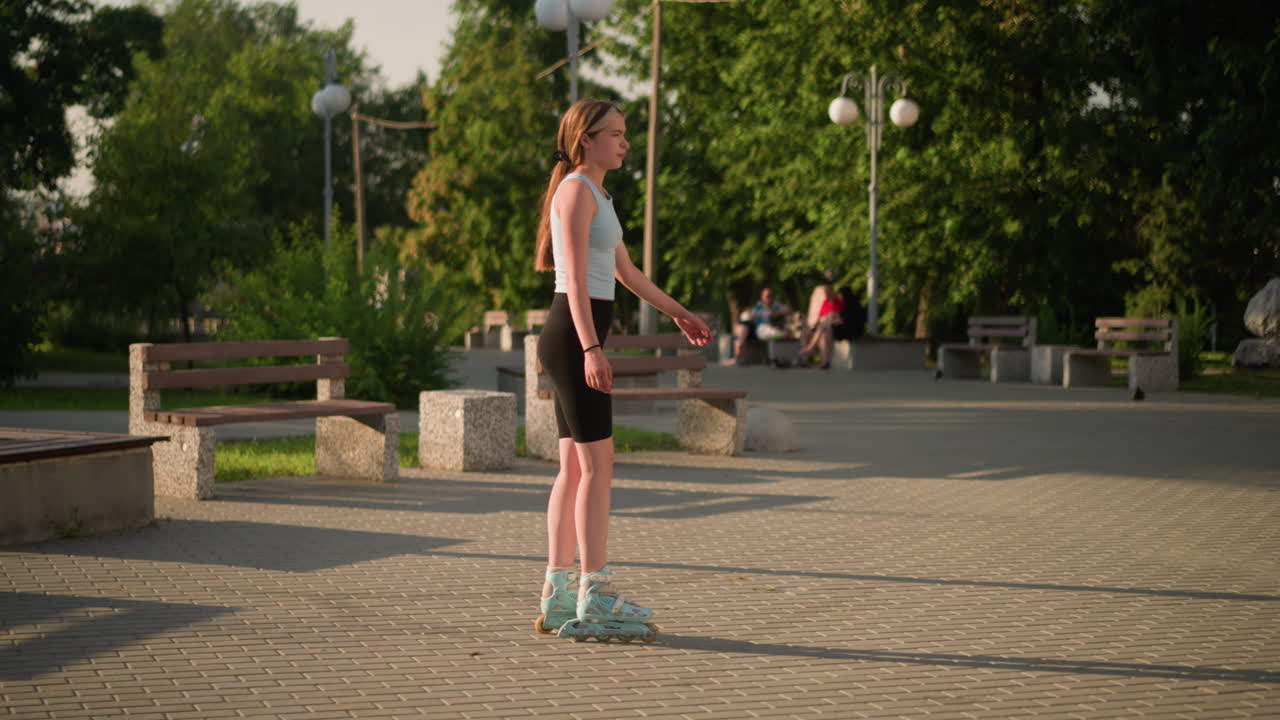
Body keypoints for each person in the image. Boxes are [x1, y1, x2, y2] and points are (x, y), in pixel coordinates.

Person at [531, 99, 712, 643]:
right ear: (586, 138)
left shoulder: (600, 195)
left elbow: (626, 271)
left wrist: (678, 311)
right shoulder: (573, 194)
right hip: (572, 338)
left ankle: (560, 593)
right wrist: (592, 349)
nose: (625, 142)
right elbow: (577, 281)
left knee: (574, 466)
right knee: (598, 465)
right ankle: (595, 593)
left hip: (576, 338)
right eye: (616, 133)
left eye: (625, 134)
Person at [734, 287, 790, 363]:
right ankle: (781, 334)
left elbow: (788, 310)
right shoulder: (758, 307)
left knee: (771, 330)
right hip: (760, 330)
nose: (769, 298)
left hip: (772, 328)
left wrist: (776, 314)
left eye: (770, 295)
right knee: (755, 328)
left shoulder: (776, 305)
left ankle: (780, 334)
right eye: (767, 296)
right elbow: (751, 317)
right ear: (762, 297)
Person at [800, 283, 844, 369]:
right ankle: (805, 361)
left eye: (828, 292)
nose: (826, 295)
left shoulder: (838, 301)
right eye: (825, 293)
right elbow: (819, 317)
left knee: (824, 331)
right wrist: (812, 326)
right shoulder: (825, 302)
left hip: (833, 326)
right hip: (822, 328)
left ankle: (812, 349)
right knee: (805, 333)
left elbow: (840, 314)